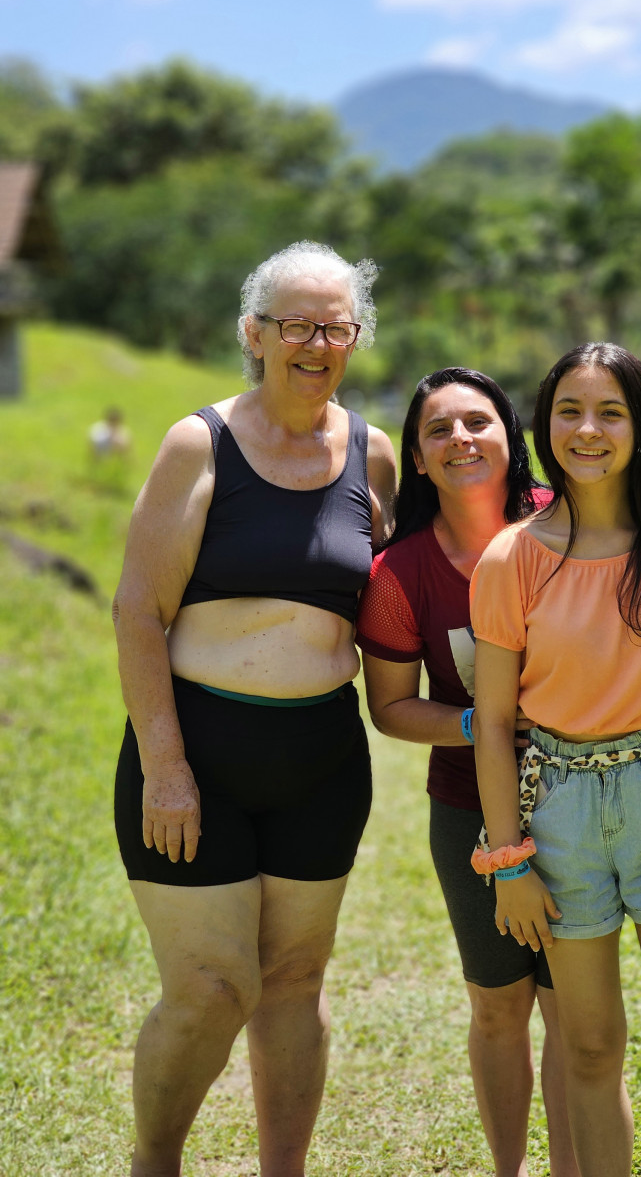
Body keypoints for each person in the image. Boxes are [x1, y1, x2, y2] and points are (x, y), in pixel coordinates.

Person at [112, 240, 397, 1177]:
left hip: (321, 756)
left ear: (355, 337)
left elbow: (409, 588)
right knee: (208, 988)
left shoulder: (373, 453)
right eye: (295, 325)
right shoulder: (202, 442)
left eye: (336, 325)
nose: (317, 343)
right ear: (255, 333)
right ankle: (156, 1163)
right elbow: (139, 610)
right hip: (199, 751)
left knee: (293, 983)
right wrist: (164, 764)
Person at [470, 342, 641, 1177]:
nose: (588, 430)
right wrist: (511, 862)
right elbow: (493, 723)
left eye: (610, 412)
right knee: (588, 1052)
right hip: (559, 814)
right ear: (545, 426)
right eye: (569, 412)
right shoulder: (511, 557)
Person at [356, 367, 579, 1177]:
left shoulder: (571, 524)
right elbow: (389, 706)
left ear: (510, 435)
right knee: (498, 1009)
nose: (461, 440)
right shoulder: (398, 575)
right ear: (417, 457)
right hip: (466, 813)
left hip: (586, 801)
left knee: (574, 1015)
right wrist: (481, 725)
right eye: (440, 430)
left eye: (478, 422)